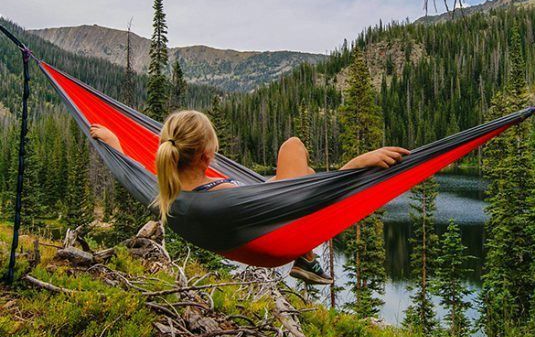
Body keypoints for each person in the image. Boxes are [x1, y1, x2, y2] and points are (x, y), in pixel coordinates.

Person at [90, 110, 409, 285]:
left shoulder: (163, 189)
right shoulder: (223, 198)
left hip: (248, 223)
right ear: (207, 155)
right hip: (274, 240)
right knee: (293, 146)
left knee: (305, 172)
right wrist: (355, 167)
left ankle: (308, 258)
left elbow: (131, 171)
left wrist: (114, 144)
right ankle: (306, 257)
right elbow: (307, 203)